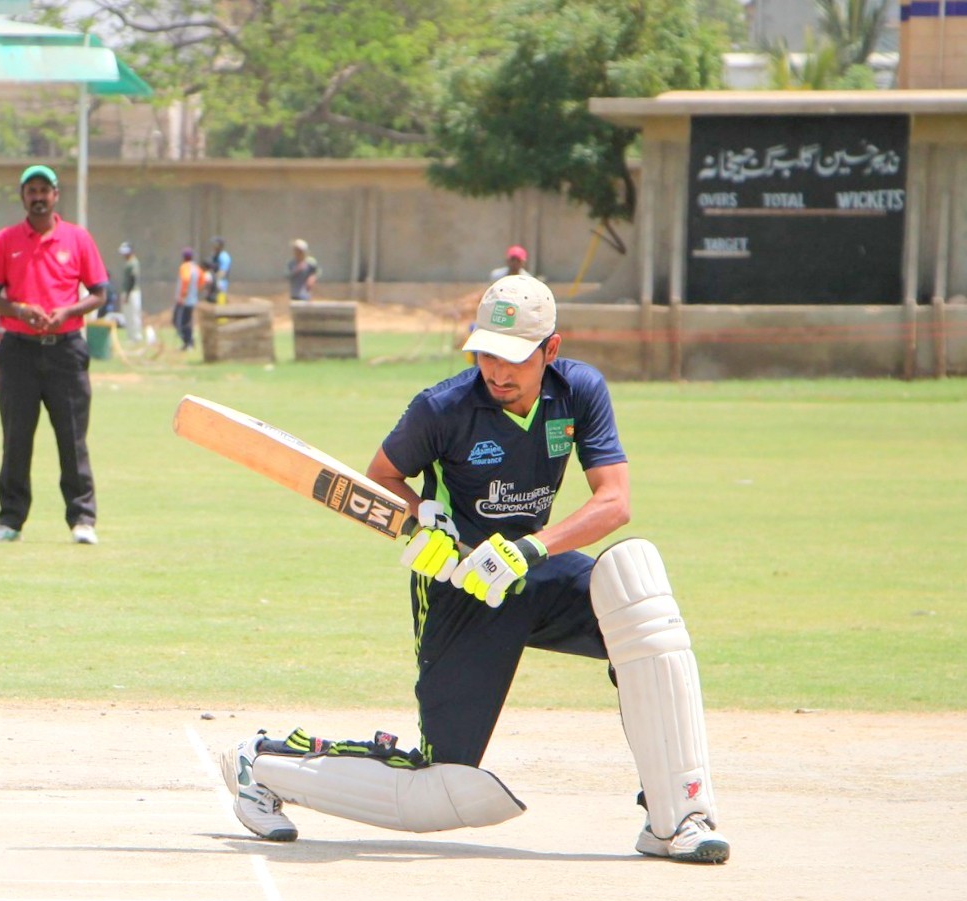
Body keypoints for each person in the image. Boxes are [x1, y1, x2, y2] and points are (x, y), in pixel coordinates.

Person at [219, 274, 730, 865]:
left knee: (638, 600)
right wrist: (424, 522)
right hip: (460, 587)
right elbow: (381, 478)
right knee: (438, 788)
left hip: (533, 571)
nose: (497, 371)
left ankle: (677, 817)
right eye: (487, 352)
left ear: (551, 350)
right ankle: (264, 766)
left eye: (514, 357)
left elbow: (614, 501)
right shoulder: (442, 407)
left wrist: (531, 549)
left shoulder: (579, 391)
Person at [0, 164, 108, 546]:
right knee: (16, 439)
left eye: (44, 191)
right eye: (31, 191)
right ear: (23, 196)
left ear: (55, 196)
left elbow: (99, 293)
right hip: (18, 350)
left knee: (72, 438)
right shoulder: (6, 240)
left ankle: (82, 519)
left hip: (65, 350)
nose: (38, 197)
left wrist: (68, 312)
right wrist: (19, 310)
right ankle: (10, 520)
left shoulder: (77, 239)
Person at [172, 247, 202, 351]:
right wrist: (195, 290)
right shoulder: (196, 268)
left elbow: (185, 279)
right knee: (187, 321)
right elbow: (202, 280)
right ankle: (188, 342)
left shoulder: (184, 267)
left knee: (178, 321)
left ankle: (188, 342)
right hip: (192, 299)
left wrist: (183, 295)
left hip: (184, 300)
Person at [117, 242, 143, 342]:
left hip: (132, 292)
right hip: (127, 292)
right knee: (128, 315)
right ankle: (131, 336)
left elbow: (133, 278)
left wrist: (127, 294)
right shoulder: (128, 262)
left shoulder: (133, 262)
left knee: (134, 315)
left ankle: (136, 336)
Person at [210, 236, 231, 304]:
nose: (213, 247)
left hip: (220, 282)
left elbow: (223, 272)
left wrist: (215, 279)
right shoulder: (215, 255)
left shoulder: (224, 256)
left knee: (221, 303)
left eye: (215, 245)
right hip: (214, 282)